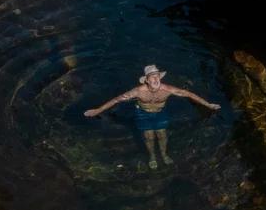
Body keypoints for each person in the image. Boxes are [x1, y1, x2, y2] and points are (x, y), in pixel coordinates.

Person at [85, 64, 219, 168]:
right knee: (149, 136)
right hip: (143, 114)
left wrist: (208, 105)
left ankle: (164, 154)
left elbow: (189, 94)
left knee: (162, 134)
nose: (156, 78)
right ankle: (152, 156)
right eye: (152, 77)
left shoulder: (167, 89)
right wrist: (98, 110)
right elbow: (116, 99)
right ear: (147, 81)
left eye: (157, 76)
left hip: (160, 113)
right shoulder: (138, 92)